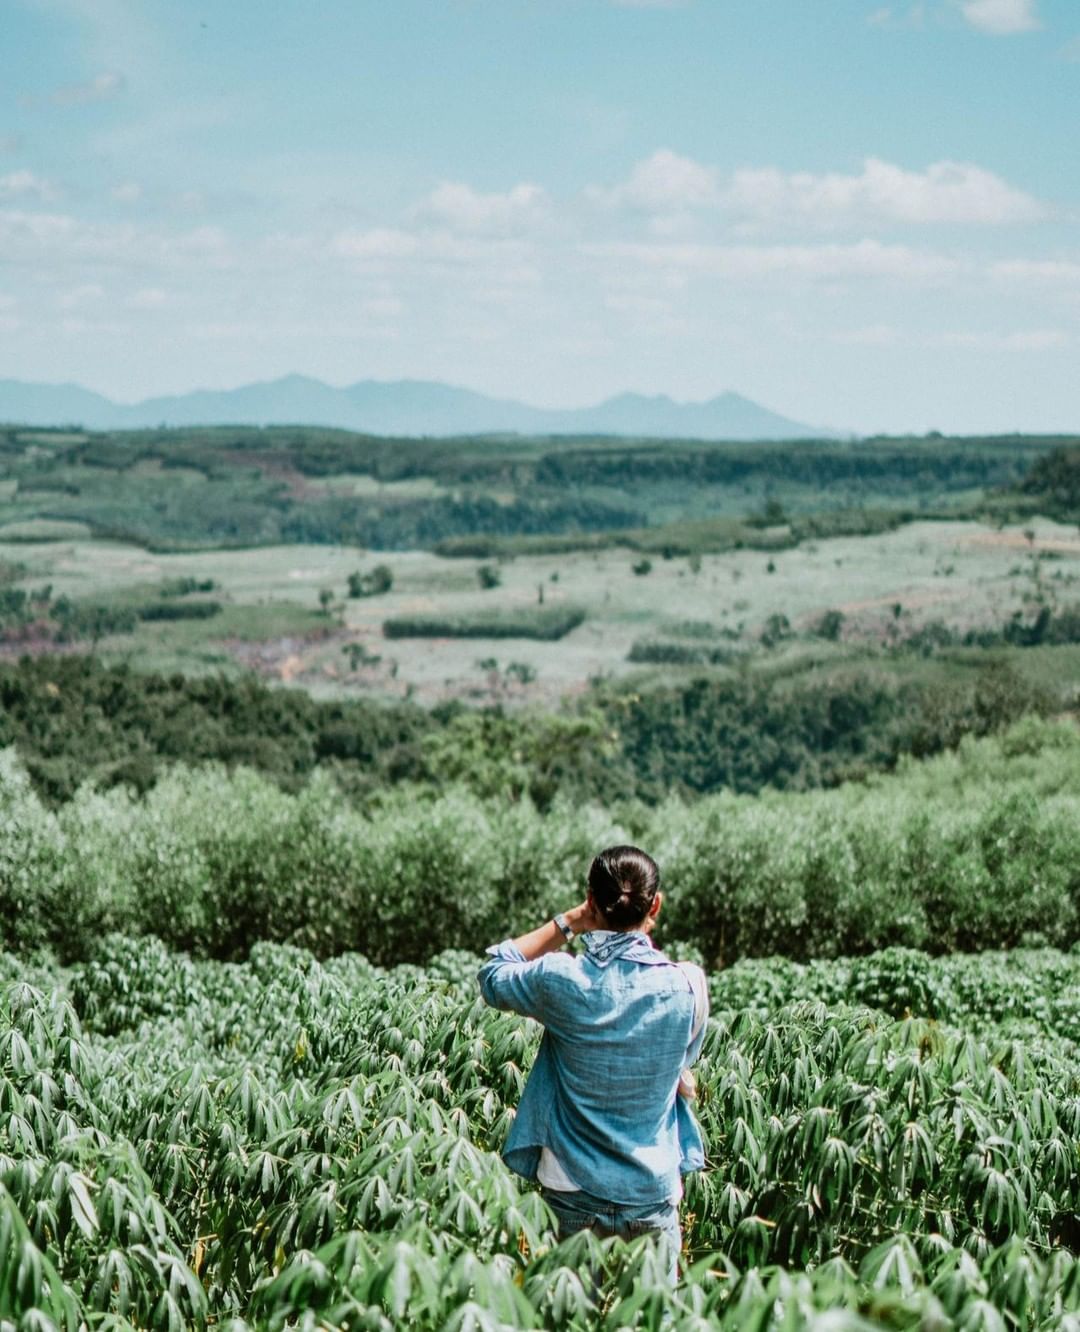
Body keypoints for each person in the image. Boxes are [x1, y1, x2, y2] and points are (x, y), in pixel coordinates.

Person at [478, 844, 708, 1286]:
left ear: (591, 899)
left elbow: (493, 974)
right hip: (652, 1193)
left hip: (571, 1189)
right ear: (655, 904)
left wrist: (570, 922)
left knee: (570, 1320)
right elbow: (682, 1061)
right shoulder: (688, 986)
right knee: (650, 1321)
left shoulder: (561, 980)